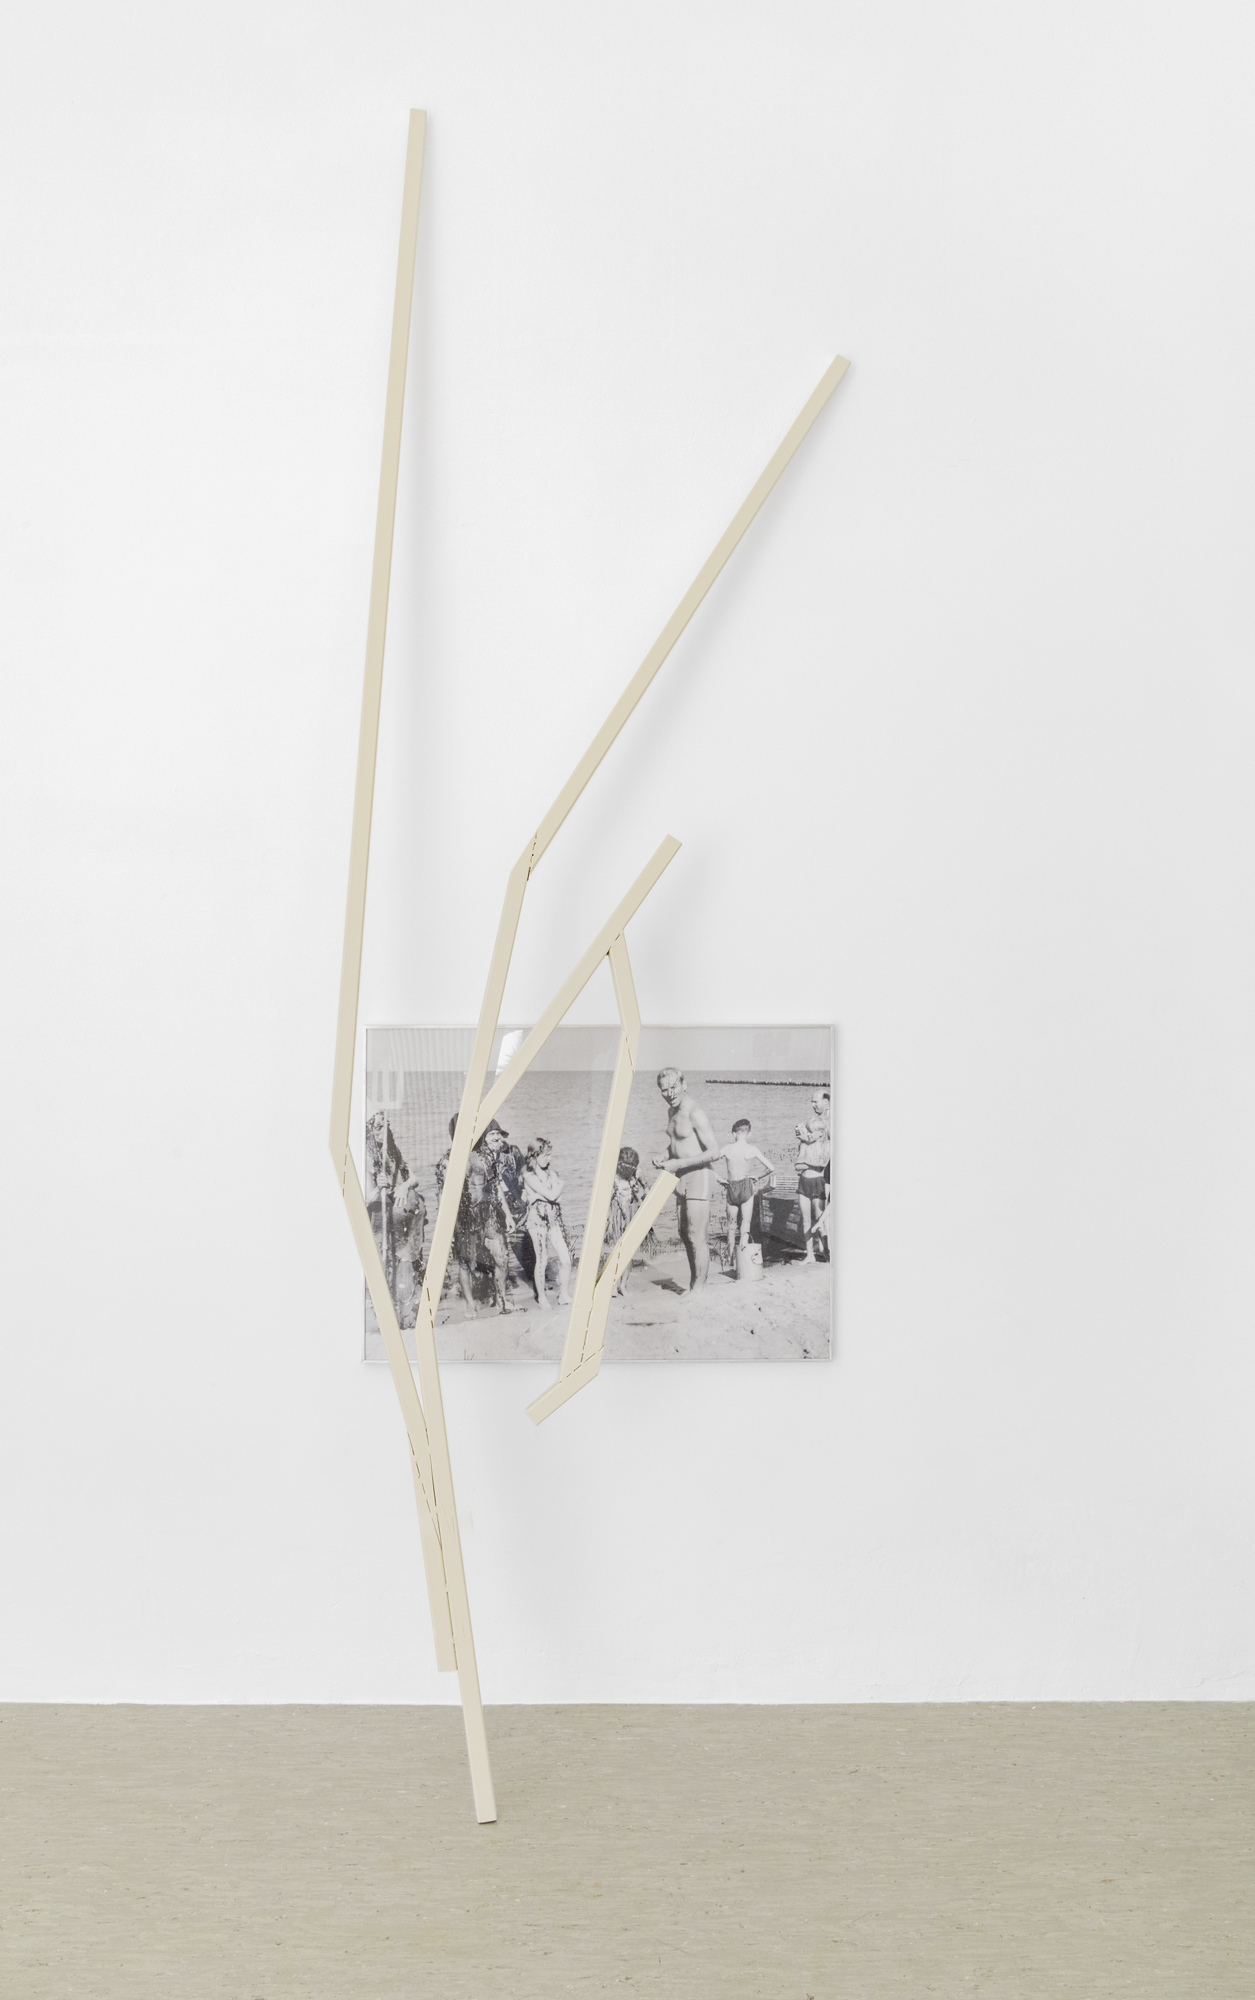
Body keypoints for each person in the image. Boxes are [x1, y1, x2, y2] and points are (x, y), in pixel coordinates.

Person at [652, 1067, 722, 1293]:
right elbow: (678, 1142)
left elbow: (715, 1152)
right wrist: (664, 1155)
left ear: (684, 1084)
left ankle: (699, 1289)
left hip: (699, 1175)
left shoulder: (695, 1113)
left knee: (696, 1235)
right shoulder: (671, 1111)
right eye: (665, 1090)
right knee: (684, 1233)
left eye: (674, 1087)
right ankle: (694, 1285)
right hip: (680, 1176)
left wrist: (678, 1163)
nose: (670, 1093)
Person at [522, 1137, 572, 1310]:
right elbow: (552, 1196)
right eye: (545, 1155)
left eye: (550, 1155)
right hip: (537, 1221)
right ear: (535, 1155)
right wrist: (560, 1186)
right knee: (542, 1260)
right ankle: (542, 1298)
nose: (549, 1159)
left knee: (566, 1259)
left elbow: (558, 1198)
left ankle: (564, 1295)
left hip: (553, 1220)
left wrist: (537, 1196)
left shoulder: (552, 1173)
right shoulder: (529, 1175)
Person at [719, 1119, 775, 1266]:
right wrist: (757, 1176)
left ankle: (731, 1258)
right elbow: (771, 1168)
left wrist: (719, 1179)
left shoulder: (727, 1149)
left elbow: (707, 1162)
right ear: (749, 1134)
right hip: (746, 1185)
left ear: (734, 1134)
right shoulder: (752, 1149)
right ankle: (742, 1255)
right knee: (745, 1222)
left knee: (731, 1225)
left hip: (731, 1186)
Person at [603, 1145, 650, 1297]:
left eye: (633, 1168)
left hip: (630, 1212)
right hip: (616, 1215)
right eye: (628, 1168)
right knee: (614, 1250)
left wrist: (642, 1196)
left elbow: (646, 1187)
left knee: (628, 1251)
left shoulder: (636, 1172)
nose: (631, 1171)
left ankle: (623, 1285)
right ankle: (613, 1284)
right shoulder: (613, 1175)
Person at [794, 1088, 831, 1261]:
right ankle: (810, 1255)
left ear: (826, 1101)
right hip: (804, 1180)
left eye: (815, 1101)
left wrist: (809, 1162)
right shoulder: (807, 1138)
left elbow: (824, 1161)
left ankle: (828, 1252)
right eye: (812, 1101)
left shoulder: (829, 1126)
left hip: (819, 1180)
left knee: (820, 1220)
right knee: (806, 1221)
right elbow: (797, 1164)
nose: (812, 1105)